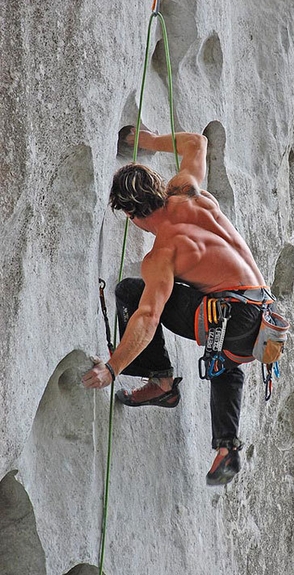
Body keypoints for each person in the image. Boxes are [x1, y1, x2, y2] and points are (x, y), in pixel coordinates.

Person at [82, 128, 272, 486]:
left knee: (131, 292)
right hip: (264, 312)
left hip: (230, 314)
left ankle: (161, 380)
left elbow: (149, 315)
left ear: (129, 213)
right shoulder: (189, 192)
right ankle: (226, 448)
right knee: (226, 359)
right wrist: (147, 139)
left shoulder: (163, 254)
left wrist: (112, 367)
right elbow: (196, 143)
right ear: (159, 187)